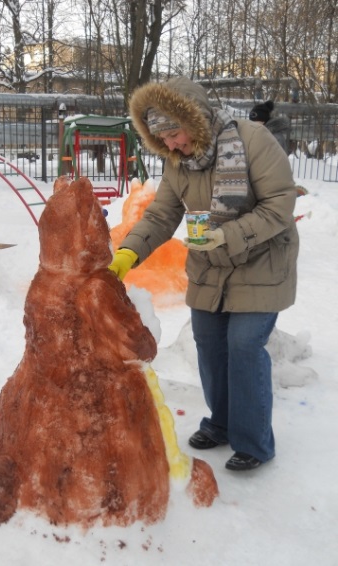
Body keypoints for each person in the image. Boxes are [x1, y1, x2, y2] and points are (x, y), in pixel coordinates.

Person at [108, 77, 299, 472]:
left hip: (262, 260)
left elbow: (280, 205)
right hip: (211, 265)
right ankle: (222, 422)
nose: (172, 144)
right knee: (210, 342)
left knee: (244, 345)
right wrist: (127, 253)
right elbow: (162, 215)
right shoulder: (177, 161)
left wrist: (227, 235)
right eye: (163, 139)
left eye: (175, 133)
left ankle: (254, 442)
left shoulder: (253, 140)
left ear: (193, 120)